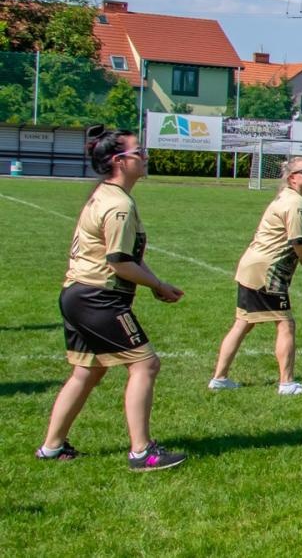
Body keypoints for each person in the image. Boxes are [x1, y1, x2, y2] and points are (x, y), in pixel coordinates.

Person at [37, 126, 186, 471]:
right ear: (120, 161)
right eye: (139, 152)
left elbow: (126, 256)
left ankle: (52, 448)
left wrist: (152, 281)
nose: (145, 157)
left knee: (86, 373)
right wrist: (158, 285)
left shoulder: (108, 194)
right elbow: (119, 262)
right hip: (97, 298)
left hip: (77, 294)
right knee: (145, 364)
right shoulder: (118, 204)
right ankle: (141, 452)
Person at [209, 155, 302, 394]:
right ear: (293, 178)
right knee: (285, 324)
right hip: (267, 271)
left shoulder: (288, 198)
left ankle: (219, 379)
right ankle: (287, 383)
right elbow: (298, 241)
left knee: (243, 323)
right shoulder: (295, 203)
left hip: (251, 267)